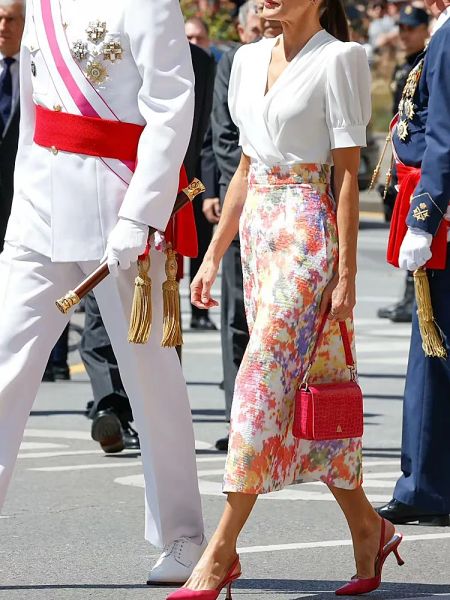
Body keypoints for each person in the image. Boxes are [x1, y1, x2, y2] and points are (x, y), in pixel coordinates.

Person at [170, 1, 404, 598]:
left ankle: (222, 550)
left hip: (306, 234)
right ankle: (368, 527)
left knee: (257, 384)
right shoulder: (246, 59)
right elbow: (247, 164)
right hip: (257, 237)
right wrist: (216, 251)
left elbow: (348, 173)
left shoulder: (342, 58)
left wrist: (346, 270)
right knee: (298, 392)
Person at [0, 0, 206, 584]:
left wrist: (142, 215)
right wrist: (19, 213)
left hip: (120, 203)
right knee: (3, 364)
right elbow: (33, 116)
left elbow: (170, 109)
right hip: (39, 211)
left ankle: (183, 534)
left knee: (151, 378)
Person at [82, 41, 216, 454]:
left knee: (156, 304)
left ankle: (149, 409)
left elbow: (202, 132)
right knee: (108, 299)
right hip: (110, 185)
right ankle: (115, 406)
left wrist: (194, 185)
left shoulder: (199, 61)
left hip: (166, 195)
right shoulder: (111, 44)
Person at [376, 0, 450, 527]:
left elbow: (443, 135)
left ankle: (425, 487)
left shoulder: (447, 38)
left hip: (439, 210)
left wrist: (423, 219)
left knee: (432, 353)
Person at [209, 0, 272, 452]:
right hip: (245, 201)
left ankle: (279, 415)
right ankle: (240, 419)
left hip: (290, 209)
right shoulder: (236, 62)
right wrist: (238, 193)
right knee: (237, 315)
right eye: (255, 27)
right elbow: (224, 135)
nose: (262, 32)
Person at [377, 5, 430, 323]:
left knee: (416, 228)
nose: (404, 34)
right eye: (401, 28)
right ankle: (408, 297)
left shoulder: (427, 60)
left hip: (419, 169)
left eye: (411, 28)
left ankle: (414, 297)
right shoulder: (404, 65)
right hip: (403, 165)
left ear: (425, 29)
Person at [0, 0, 22, 251]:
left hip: (19, 206)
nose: (3, 26)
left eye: (11, 19)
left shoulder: (38, 72)